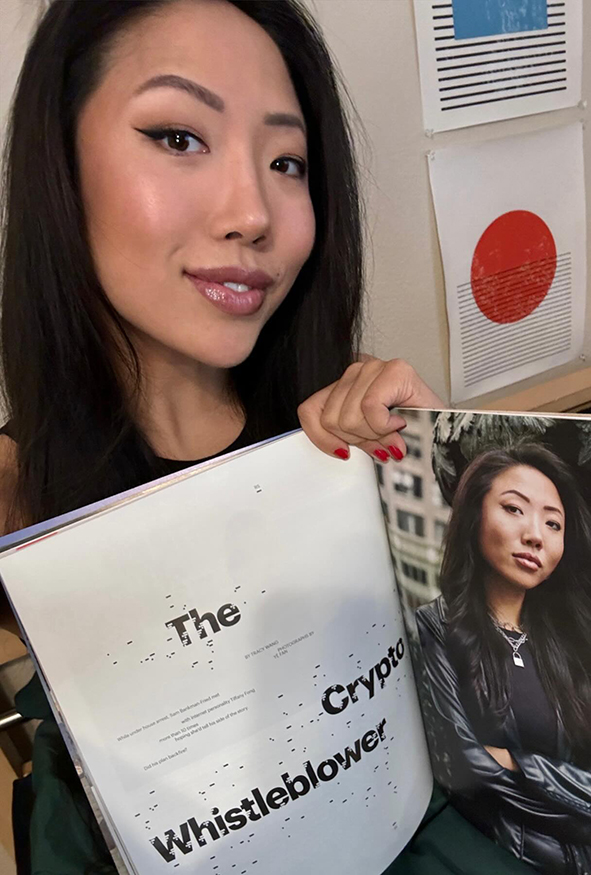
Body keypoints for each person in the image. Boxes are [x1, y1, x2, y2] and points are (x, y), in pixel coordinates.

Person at [0, 0, 449, 869]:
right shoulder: (15, 485)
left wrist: (434, 468)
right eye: (178, 137)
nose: (253, 214)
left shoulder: (345, 428)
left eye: (287, 160)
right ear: (60, 160)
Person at [416, 444, 591, 875]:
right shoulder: (435, 629)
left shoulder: (571, 646)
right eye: (514, 510)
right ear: (474, 515)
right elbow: (468, 767)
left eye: (553, 523)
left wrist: (515, 761)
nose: (536, 535)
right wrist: (590, 802)